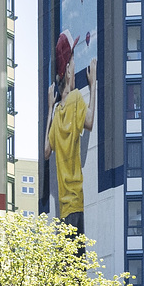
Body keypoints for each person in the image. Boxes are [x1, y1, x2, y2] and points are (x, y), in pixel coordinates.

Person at [45, 30, 94, 232]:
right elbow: (89, 121)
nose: (75, 66)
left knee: (67, 262)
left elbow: (46, 151)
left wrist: (49, 108)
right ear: (67, 69)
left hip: (64, 210)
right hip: (76, 202)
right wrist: (93, 86)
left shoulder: (57, 112)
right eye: (73, 61)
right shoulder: (75, 99)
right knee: (79, 263)